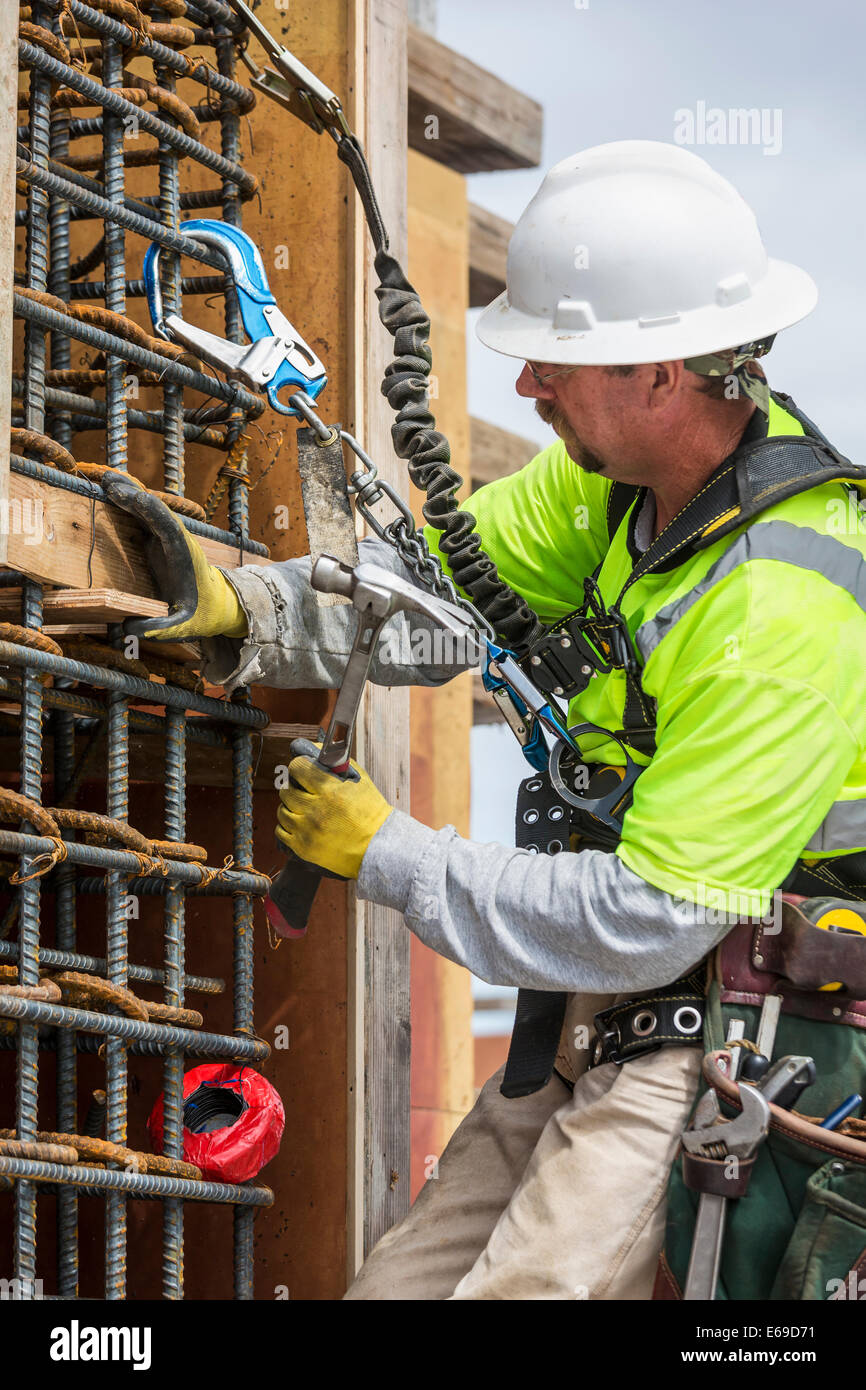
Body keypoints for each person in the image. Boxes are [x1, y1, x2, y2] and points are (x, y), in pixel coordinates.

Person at [109, 142, 866, 1299]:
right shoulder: (619, 487)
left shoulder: (783, 602)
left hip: (716, 1022)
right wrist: (247, 613)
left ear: (659, 370)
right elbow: (438, 593)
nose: (527, 390)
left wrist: (392, 855)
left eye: (554, 363)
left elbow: (653, 914)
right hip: (595, 1010)